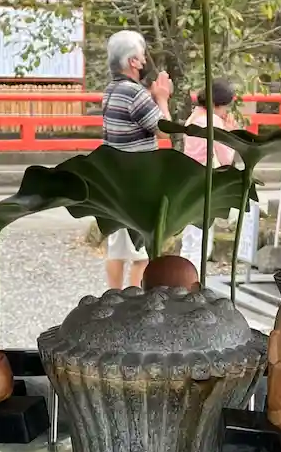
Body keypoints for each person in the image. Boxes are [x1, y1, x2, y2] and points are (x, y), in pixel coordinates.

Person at [101, 30, 172, 288]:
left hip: (114, 181)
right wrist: (162, 99)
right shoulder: (135, 93)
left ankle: (113, 297)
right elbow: (165, 131)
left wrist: (151, 99)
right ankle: (133, 301)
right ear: (132, 61)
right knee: (141, 253)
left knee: (117, 250)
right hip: (138, 184)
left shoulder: (111, 90)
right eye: (142, 56)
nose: (145, 61)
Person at [179, 80, 237, 267]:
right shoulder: (213, 122)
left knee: (190, 238)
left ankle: (183, 277)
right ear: (216, 104)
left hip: (188, 180)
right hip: (205, 181)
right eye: (225, 106)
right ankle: (194, 280)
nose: (225, 111)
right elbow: (226, 158)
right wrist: (231, 134)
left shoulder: (194, 117)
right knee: (201, 241)